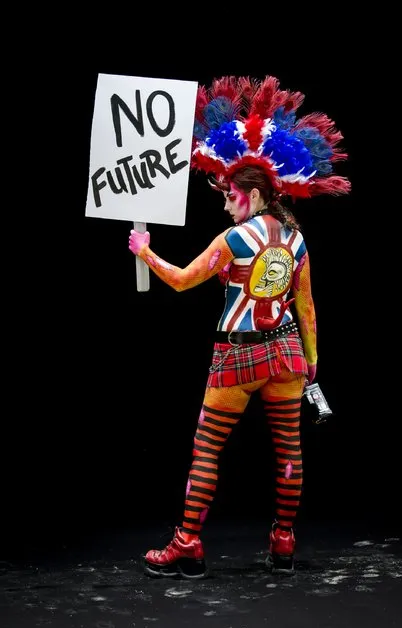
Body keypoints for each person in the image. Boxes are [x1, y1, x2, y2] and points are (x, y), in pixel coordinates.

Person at [128, 76, 350, 579]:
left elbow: (183, 281)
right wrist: (312, 360)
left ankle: (187, 544)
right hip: (289, 355)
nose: (226, 202)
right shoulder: (295, 239)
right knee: (288, 450)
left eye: (229, 194)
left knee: (207, 446)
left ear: (250, 194)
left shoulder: (235, 237)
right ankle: (284, 543)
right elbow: (306, 304)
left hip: (238, 358)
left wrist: (146, 253)